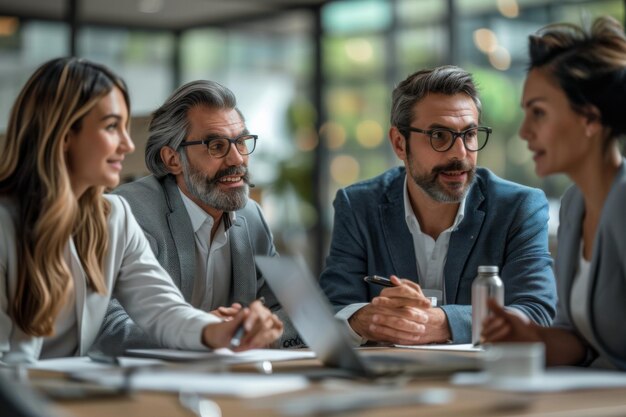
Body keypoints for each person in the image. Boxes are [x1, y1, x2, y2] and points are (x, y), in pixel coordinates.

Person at [0, 57, 283, 364]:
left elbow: (162, 310)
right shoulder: (6, 222)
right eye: (111, 127)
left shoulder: (113, 216)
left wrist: (220, 332)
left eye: (124, 127)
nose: (127, 145)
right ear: (63, 135)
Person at [319, 65, 557, 346]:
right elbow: (331, 309)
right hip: (389, 379)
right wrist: (365, 319)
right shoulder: (359, 206)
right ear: (399, 143)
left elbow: (536, 312)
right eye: (439, 136)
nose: (460, 154)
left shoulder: (518, 207)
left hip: (482, 382)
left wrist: (442, 323)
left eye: (469, 134)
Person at [95, 80, 301, 350]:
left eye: (241, 142)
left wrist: (254, 332)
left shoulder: (252, 217)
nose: (237, 159)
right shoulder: (129, 212)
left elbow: (293, 316)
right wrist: (203, 333)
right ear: (172, 159)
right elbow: (108, 325)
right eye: (216, 146)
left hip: (230, 380)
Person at [482, 16, 626, 370]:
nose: (524, 132)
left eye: (539, 113)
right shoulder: (575, 205)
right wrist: (533, 336)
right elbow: (579, 342)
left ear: (590, 118)